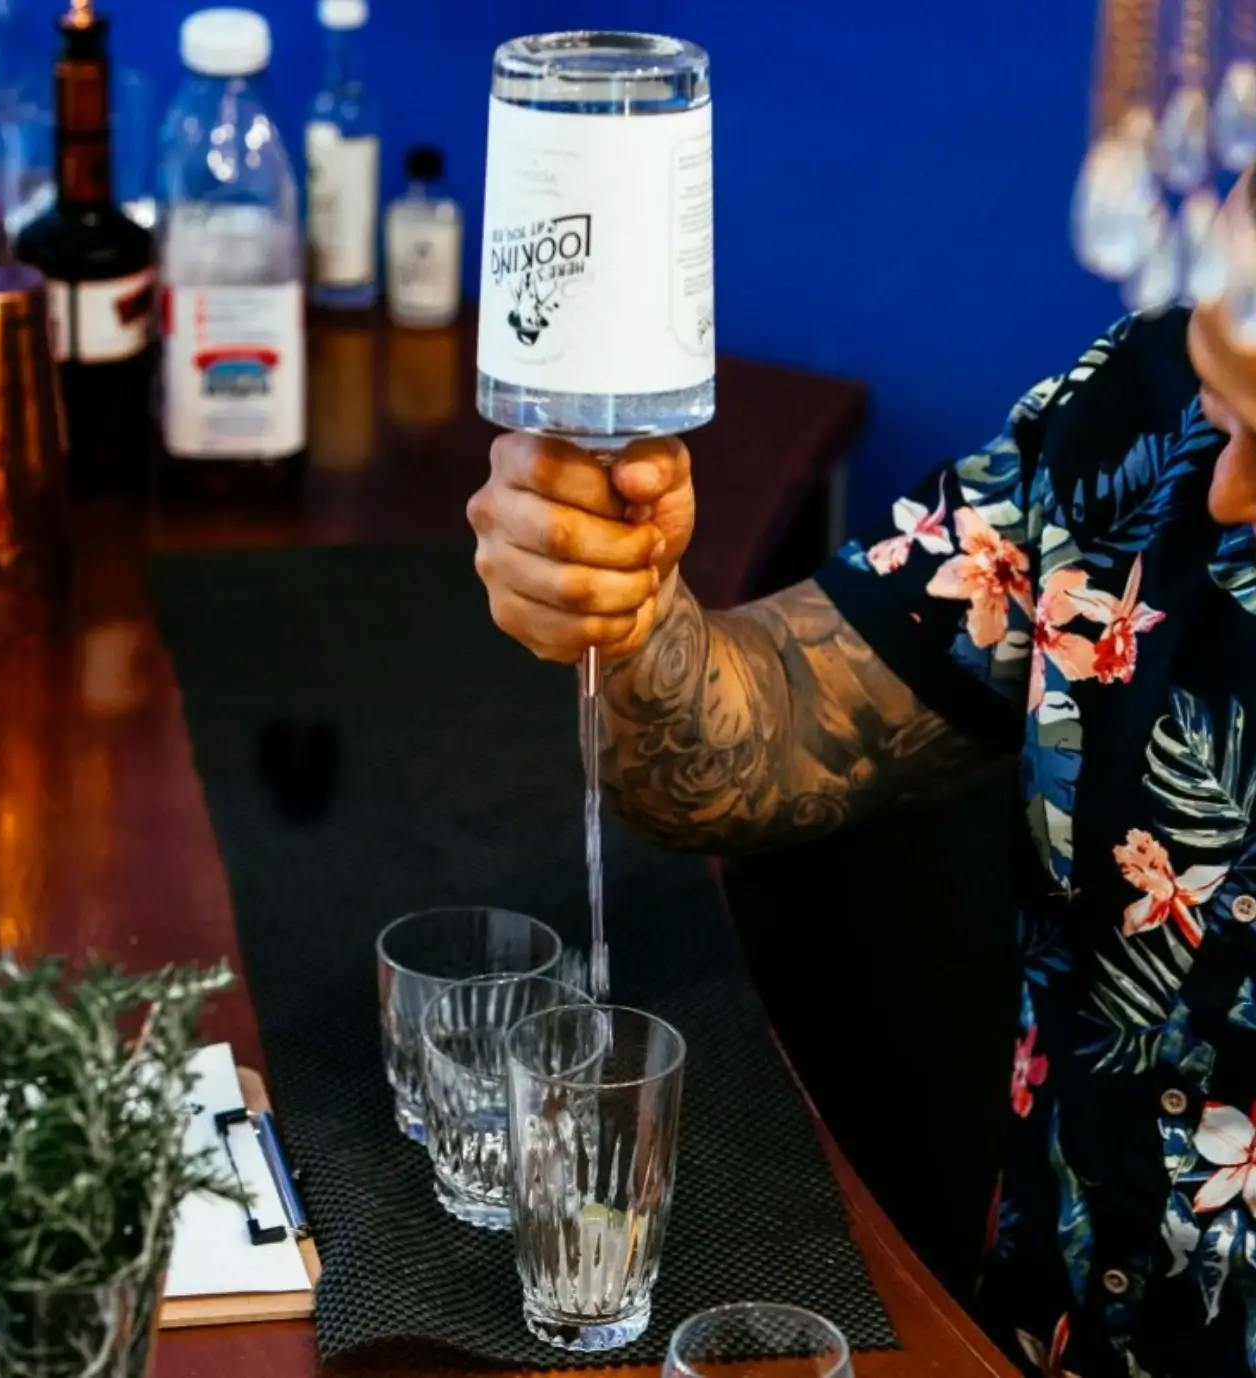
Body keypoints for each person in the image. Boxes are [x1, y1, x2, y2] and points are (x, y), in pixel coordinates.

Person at [467, 172, 1256, 1378]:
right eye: (1222, 405)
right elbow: (766, 726)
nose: (1225, 491)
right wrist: (626, 605)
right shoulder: (1136, 420)